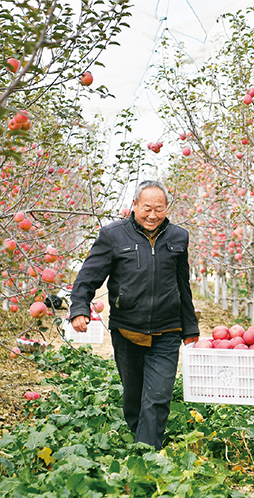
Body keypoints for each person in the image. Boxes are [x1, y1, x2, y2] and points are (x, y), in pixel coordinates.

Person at [69, 180, 200, 450]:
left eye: (159, 209)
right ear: (135, 206)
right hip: (127, 329)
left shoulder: (178, 237)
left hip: (167, 329)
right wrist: (79, 308)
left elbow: (182, 284)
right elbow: (89, 276)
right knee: (133, 396)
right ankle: (141, 434)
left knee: (158, 396)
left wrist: (190, 328)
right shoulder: (112, 235)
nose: (152, 215)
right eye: (147, 208)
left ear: (167, 209)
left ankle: (146, 455)